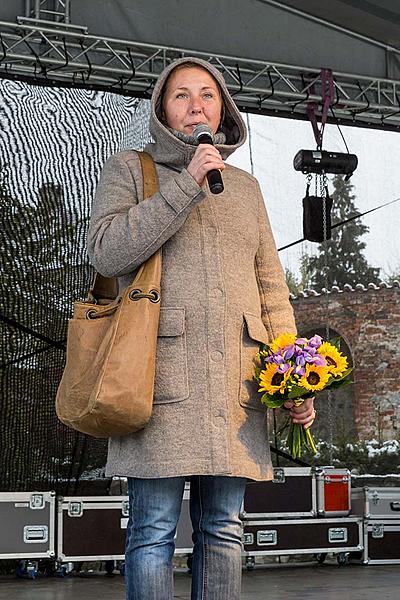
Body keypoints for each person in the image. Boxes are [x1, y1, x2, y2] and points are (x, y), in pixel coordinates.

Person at [87, 57, 315, 600]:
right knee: (152, 532)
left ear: (224, 108)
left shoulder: (246, 188)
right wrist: (185, 184)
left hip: (235, 385)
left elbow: (271, 290)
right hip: (156, 379)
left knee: (225, 531)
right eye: (182, 96)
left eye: (207, 95)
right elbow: (107, 251)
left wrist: (294, 379)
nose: (196, 106)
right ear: (162, 110)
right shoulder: (129, 170)